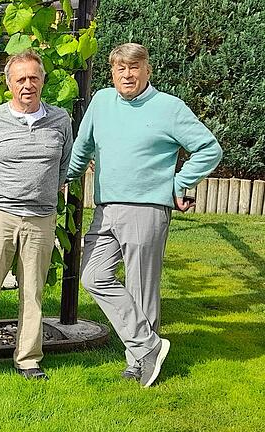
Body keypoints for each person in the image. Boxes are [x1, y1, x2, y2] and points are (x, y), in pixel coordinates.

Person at [67, 43, 222, 387]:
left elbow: (209, 149)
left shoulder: (169, 108)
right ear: (112, 73)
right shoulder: (102, 102)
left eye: (134, 68)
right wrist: (63, 177)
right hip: (105, 208)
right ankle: (148, 346)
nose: (128, 75)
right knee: (92, 276)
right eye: (120, 68)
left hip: (147, 209)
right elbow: (82, 147)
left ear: (148, 70)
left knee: (141, 288)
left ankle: (138, 362)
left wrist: (177, 184)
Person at [0, 50, 73, 381]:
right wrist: (2, 198)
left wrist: (42, 194)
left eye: (33, 78)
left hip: (41, 218)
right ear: (9, 83)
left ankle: (28, 359)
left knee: (33, 292)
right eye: (20, 79)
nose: (27, 85)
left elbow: (65, 166)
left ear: (43, 80)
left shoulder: (61, 121)